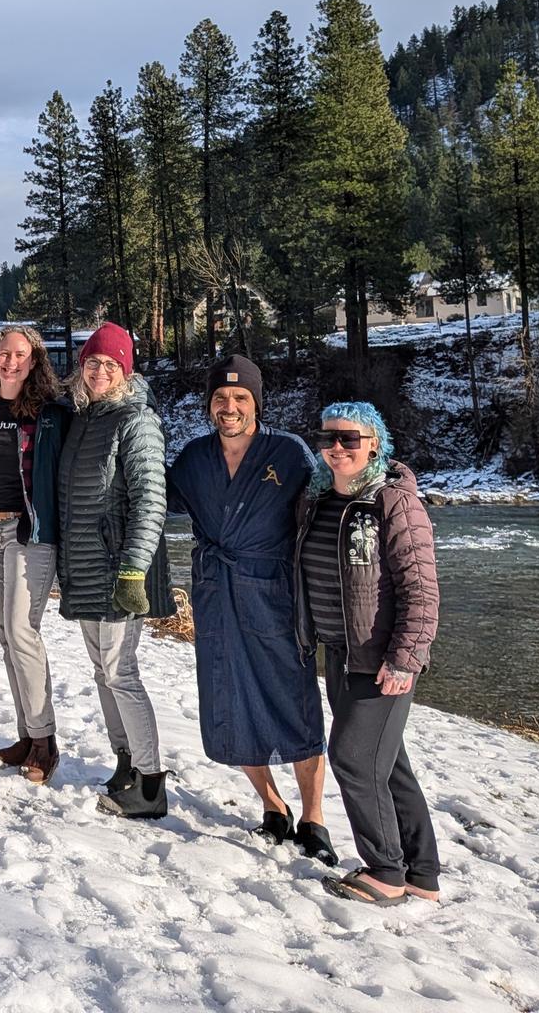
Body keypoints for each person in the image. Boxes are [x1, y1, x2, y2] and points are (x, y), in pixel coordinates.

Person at [167, 354, 333, 861]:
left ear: (257, 403)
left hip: (276, 594)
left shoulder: (288, 452)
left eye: (241, 398)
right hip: (216, 593)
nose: (230, 406)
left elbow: (331, 501)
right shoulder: (194, 459)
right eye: (220, 398)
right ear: (209, 405)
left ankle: (314, 816)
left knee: (295, 699)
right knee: (227, 697)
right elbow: (151, 498)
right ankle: (271, 805)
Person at [293, 402, 443, 905]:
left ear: (375, 443)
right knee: (387, 762)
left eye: (349, 439)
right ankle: (422, 874)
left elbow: (420, 588)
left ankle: (384, 870)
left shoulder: (394, 502)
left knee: (353, 759)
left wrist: (406, 657)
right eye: (328, 438)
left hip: (381, 658)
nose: (336, 448)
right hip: (338, 653)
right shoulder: (315, 498)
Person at [55, 322, 171, 815]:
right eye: (93, 362)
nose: (100, 371)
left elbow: (150, 500)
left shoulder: (135, 420)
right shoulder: (83, 418)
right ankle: (125, 761)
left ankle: (150, 784)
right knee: (103, 674)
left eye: (111, 364)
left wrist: (133, 571)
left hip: (117, 566)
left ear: (126, 370)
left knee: (122, 673)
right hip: (83, 565)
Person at [0, 324, 69, 783]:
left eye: (20, 355)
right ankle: (25, 736)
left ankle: (45, 742)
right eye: (4, 354)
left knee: (23, 632)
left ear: (34, 359)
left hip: (29, 534)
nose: (11, 362)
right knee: (6, 636)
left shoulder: (49, 411)